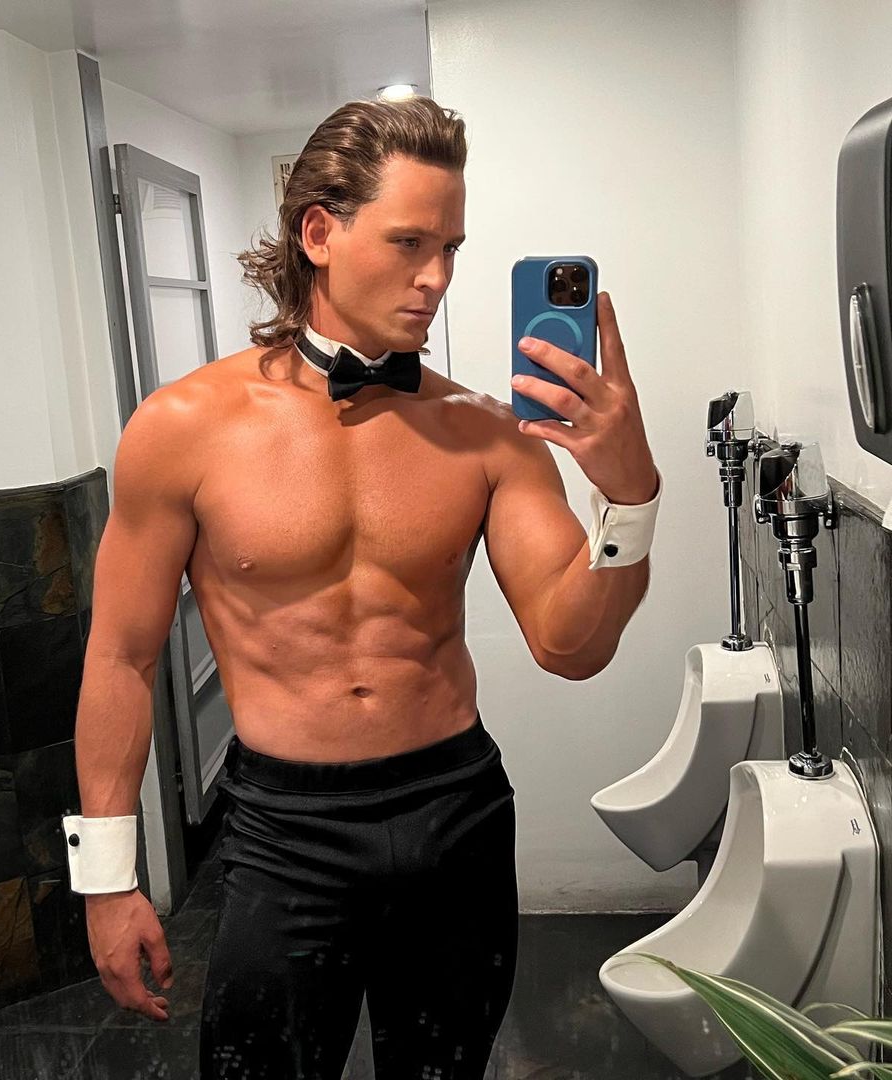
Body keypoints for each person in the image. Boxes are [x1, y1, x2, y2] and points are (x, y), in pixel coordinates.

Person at [63, 95, 662, 1079]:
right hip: (283, 830)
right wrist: (107, 877)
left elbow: (572, 647)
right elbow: (121, 658)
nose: (438, 278)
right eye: (409, 242)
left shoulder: (489, 432)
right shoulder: (182, 430)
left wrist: (630, 498)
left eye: (451, 248)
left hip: (455, 812)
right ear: (319, 234)